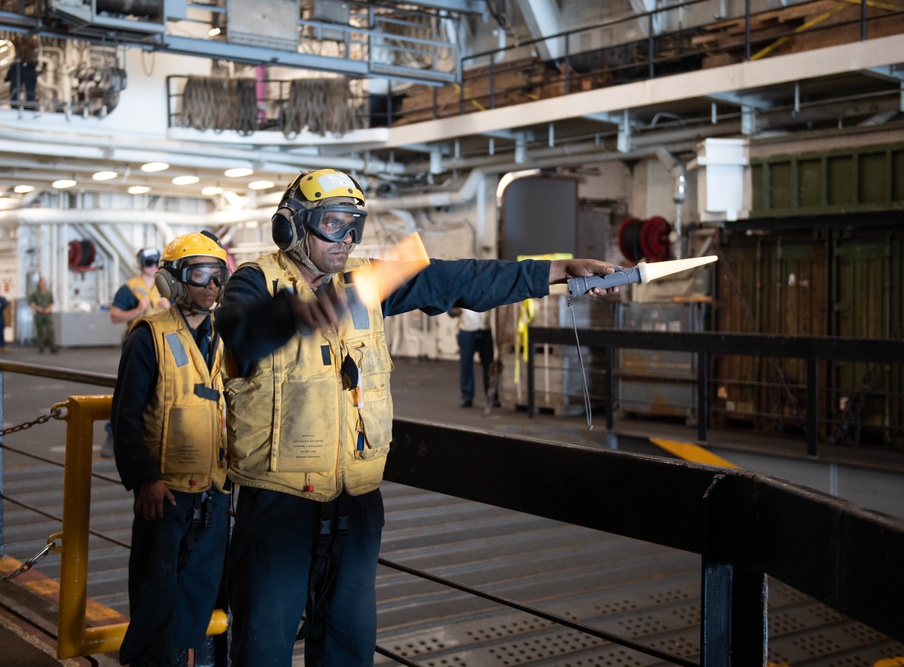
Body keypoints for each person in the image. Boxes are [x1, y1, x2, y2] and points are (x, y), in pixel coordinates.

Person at [214, 168, 619, 666]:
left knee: (349, 648)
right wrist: (292, 314)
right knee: (262, 649)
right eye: (333, 224)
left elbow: (458, 279)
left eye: (354, 225)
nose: (348, 238)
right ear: (290, 227)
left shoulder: (361, 282)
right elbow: (238, 331)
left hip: (356, 506)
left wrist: (556, 272)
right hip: (279, 505)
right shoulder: (253, 281)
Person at [111, 231, 231, 667]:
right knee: (155, 604)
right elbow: (126, 416)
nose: (211, 285)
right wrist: (145, 480)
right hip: (166, 498)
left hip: (215, 496)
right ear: (172, 282)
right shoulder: (148, 337)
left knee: (201, 605)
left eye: (218, 275)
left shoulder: (226, 337)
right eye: (200, 274)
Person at [104, 247, 171, 458]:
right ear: (140, 264)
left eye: (155, 262)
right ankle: (113, 435)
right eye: (148, 263)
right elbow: (115, 316)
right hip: (139, 344)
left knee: (166, 388)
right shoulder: (130, 288)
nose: (151, 267)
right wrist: (137, 310)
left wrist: (169, 306)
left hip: (166, 342)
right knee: (130, 390)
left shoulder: (168, 287)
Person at [448, 307, 497, 408]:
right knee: (466, 365)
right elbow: (450, 310)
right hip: (466, 330)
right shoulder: (458, 290)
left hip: (485, 328)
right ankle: (467, 397)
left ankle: (492, 396)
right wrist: (454, 311)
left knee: (489, 365)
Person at [6, 34, 40, 107]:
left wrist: (30, 38)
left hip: (29, 66)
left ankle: (30, 104)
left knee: (29, 87)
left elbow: (35, 44)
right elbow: (14, 42)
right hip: (19, 65)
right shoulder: (18, 40)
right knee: (16, 85)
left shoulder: (32, 41)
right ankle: (15, 104)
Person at [28, 276, 56, 353]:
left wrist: (49, 309)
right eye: (42, 283)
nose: (43, 285)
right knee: (40, 331)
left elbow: (52, 303)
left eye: (45, 283)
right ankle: (41, 347)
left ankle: (53, 347)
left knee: (51, 330)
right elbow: (31, 303)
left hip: (48, 314)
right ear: (39, 284)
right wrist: (37, 308)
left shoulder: (49, 293)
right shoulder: (35, 293)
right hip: (39, 314)